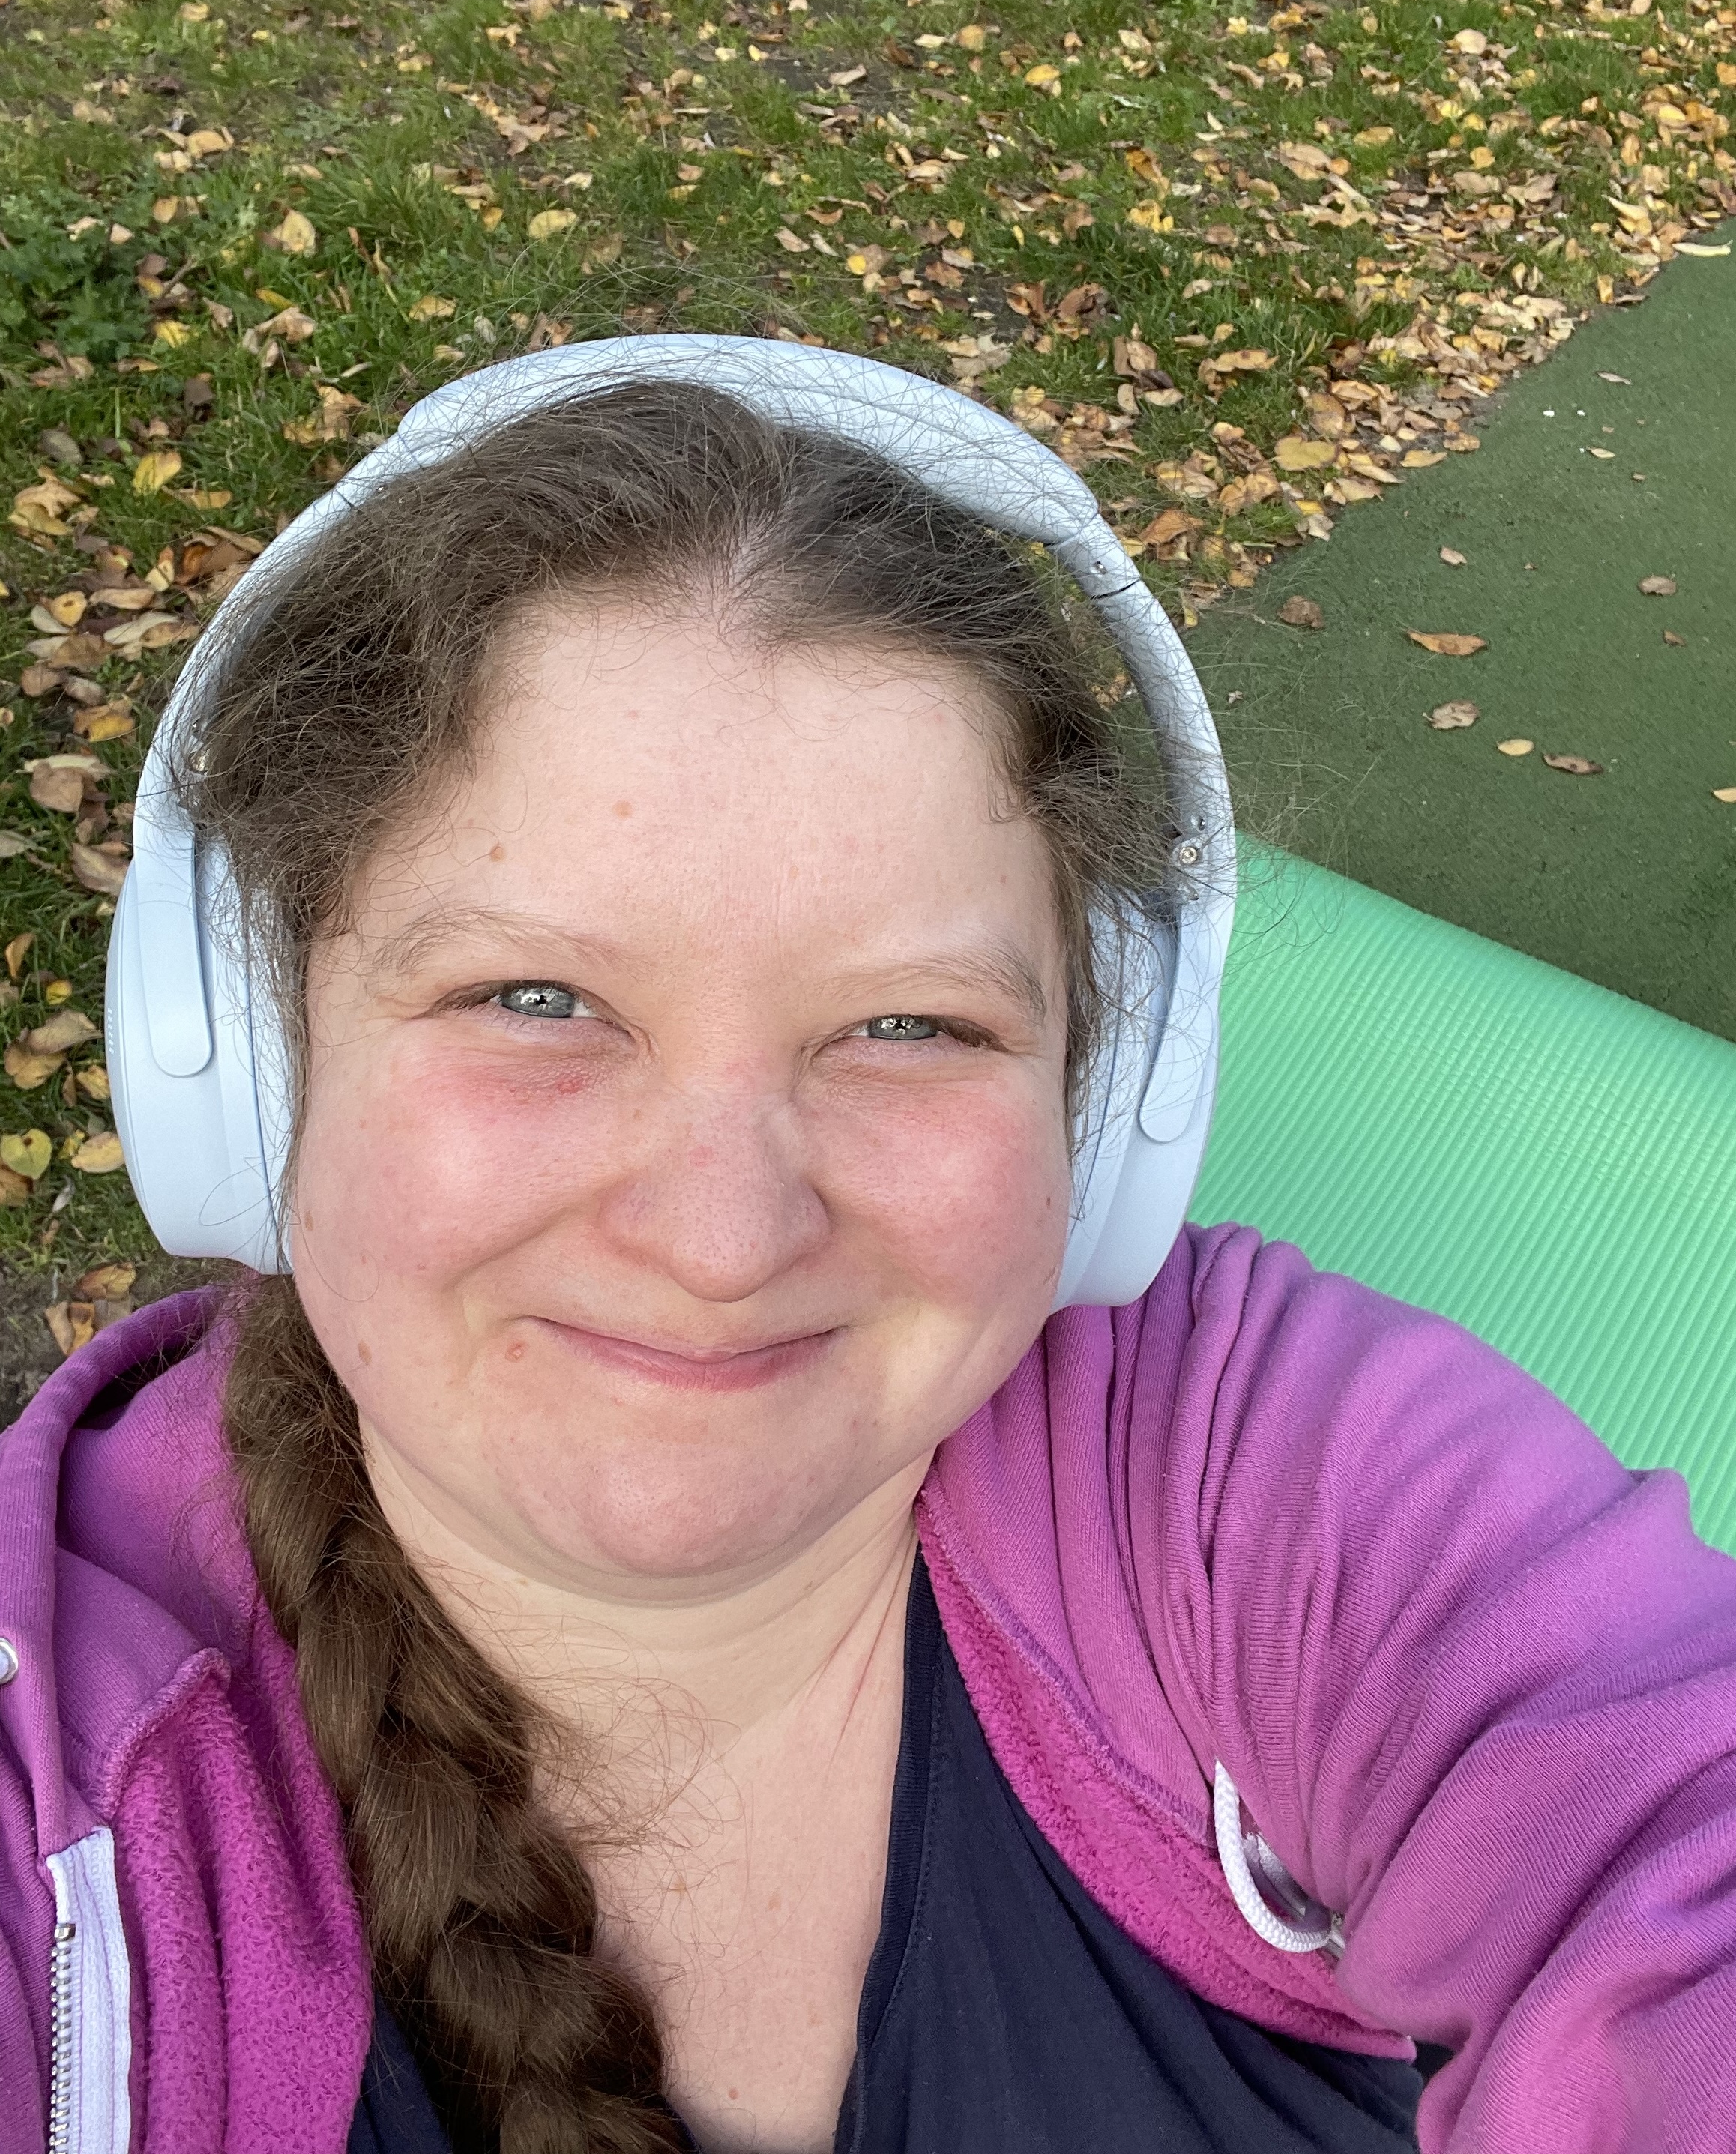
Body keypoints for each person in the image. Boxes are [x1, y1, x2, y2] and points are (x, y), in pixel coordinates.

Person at [1, 343, 1733, 2154]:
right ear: (256, 1060)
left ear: (1106, 1100)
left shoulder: (1256, 1485)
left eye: (909, 1027)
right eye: (536, 996)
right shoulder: (63, 1748)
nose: (726, 1231)